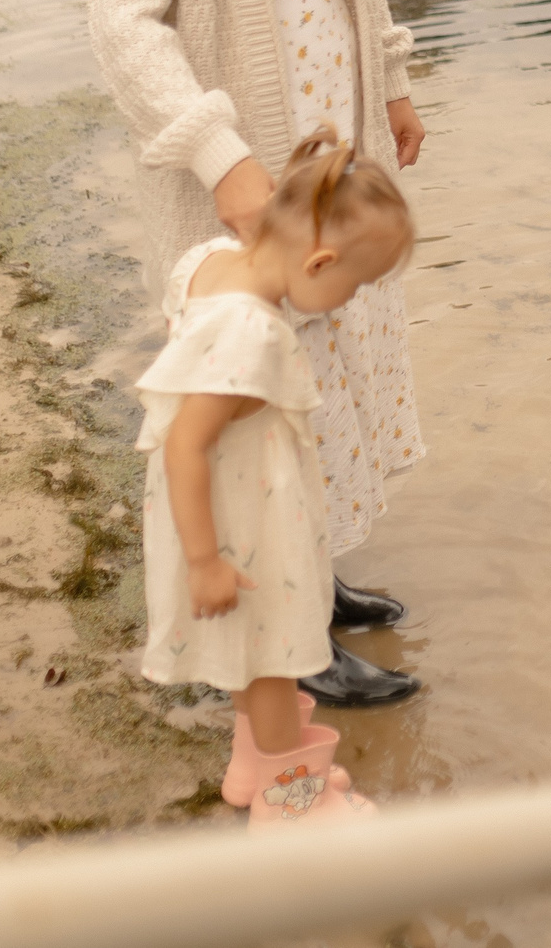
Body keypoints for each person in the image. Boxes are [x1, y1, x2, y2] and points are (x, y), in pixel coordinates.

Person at [87, 0, 429, 707]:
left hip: (334, 126)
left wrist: (395, 74)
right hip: (241, 145)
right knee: (265, 378)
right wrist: (222, 160)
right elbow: (123, 22)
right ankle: (287, 638)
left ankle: (317, 577)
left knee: (340, 349)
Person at [138, 132, 415, 827]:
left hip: (222, 506)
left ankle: (252, 766)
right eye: (351, 286)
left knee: (250, 654)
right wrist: (206, 560)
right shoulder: (251, 330)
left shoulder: (210, 261)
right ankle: (294, 802)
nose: (347, 300)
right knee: (271, 659)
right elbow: (185, 443)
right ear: (319, 260)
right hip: (237, 523)